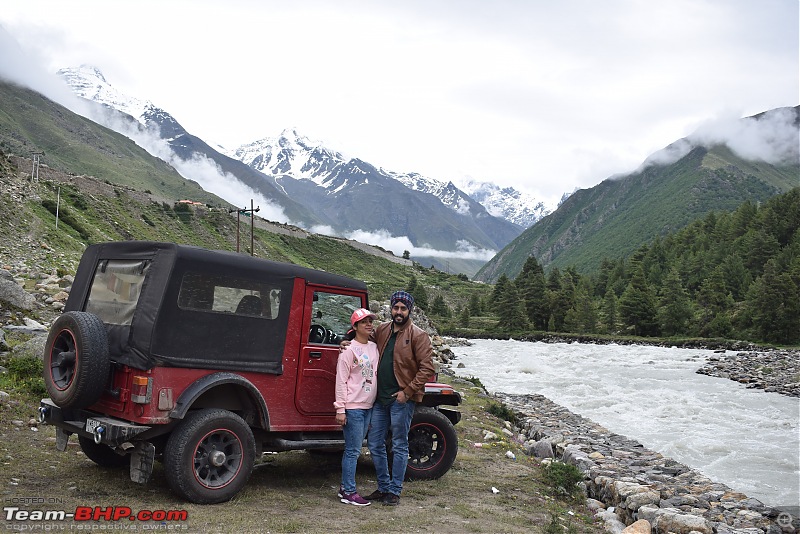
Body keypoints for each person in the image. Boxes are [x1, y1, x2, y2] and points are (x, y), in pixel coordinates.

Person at [363, 290, 435, 506]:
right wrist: (347, 343)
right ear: (391, 309)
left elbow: (427, 368)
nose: (399, 312)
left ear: (409, 310)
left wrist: (408, 392)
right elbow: (364, 340)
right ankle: (383, 487)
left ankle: (395, 491)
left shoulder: (418, 335)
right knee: (375, 444)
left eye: (403, 308)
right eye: (396, 307)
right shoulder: (383, 330)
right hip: (380, 398)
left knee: (399, 444)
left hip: (401, 400)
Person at [334, 307, 380, 506]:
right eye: (364, 322)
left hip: (368, 406)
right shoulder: (348, 350)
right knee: (353, 450)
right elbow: (341, 380)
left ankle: (346, 488)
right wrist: (340, 409)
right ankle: (348, 491)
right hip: (353, 407)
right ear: (355, 326)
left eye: (370, 321)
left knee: (356, 449)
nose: (369, 325)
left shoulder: (374, 347)